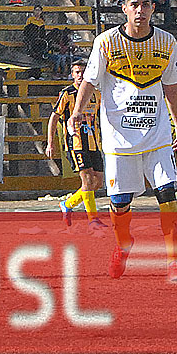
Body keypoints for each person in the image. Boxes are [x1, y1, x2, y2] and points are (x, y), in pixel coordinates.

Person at [69, 0, 177, 281]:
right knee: (121, 205)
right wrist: (77, 111)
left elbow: (172, 87)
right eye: (134, 4)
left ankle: (174, 263)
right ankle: (123, 247)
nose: (140, 10)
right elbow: (90, 81)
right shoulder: (106, 42)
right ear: (124, 8)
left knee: (167, 193)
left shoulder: (166, 42)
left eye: (146, 4)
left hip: (156, 136)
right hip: (119, 140)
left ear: (153, 8)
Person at [47, 58, 105, 230]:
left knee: (97, 182)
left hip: (94, 142)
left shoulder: (96, 93)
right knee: (87, 178)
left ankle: (68, 204)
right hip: (76, 142)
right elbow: (54, 117)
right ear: (72, 75)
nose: (80, 75)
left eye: (82, 72)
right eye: (77, 72)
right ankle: (93, 219)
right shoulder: (67, 93)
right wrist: (50, 142)